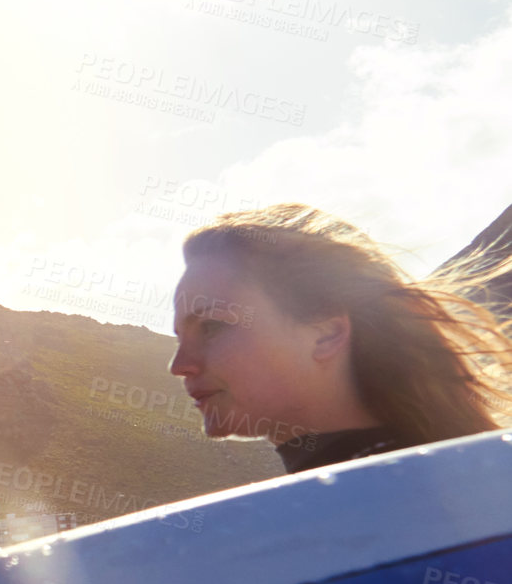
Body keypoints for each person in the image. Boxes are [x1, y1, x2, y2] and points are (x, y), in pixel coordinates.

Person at [168, 203, 512, 474]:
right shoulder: (461, 479)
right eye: (181, 336)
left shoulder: (404, 509)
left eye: (212, 327)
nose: (180, 365)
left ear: (327, 334)